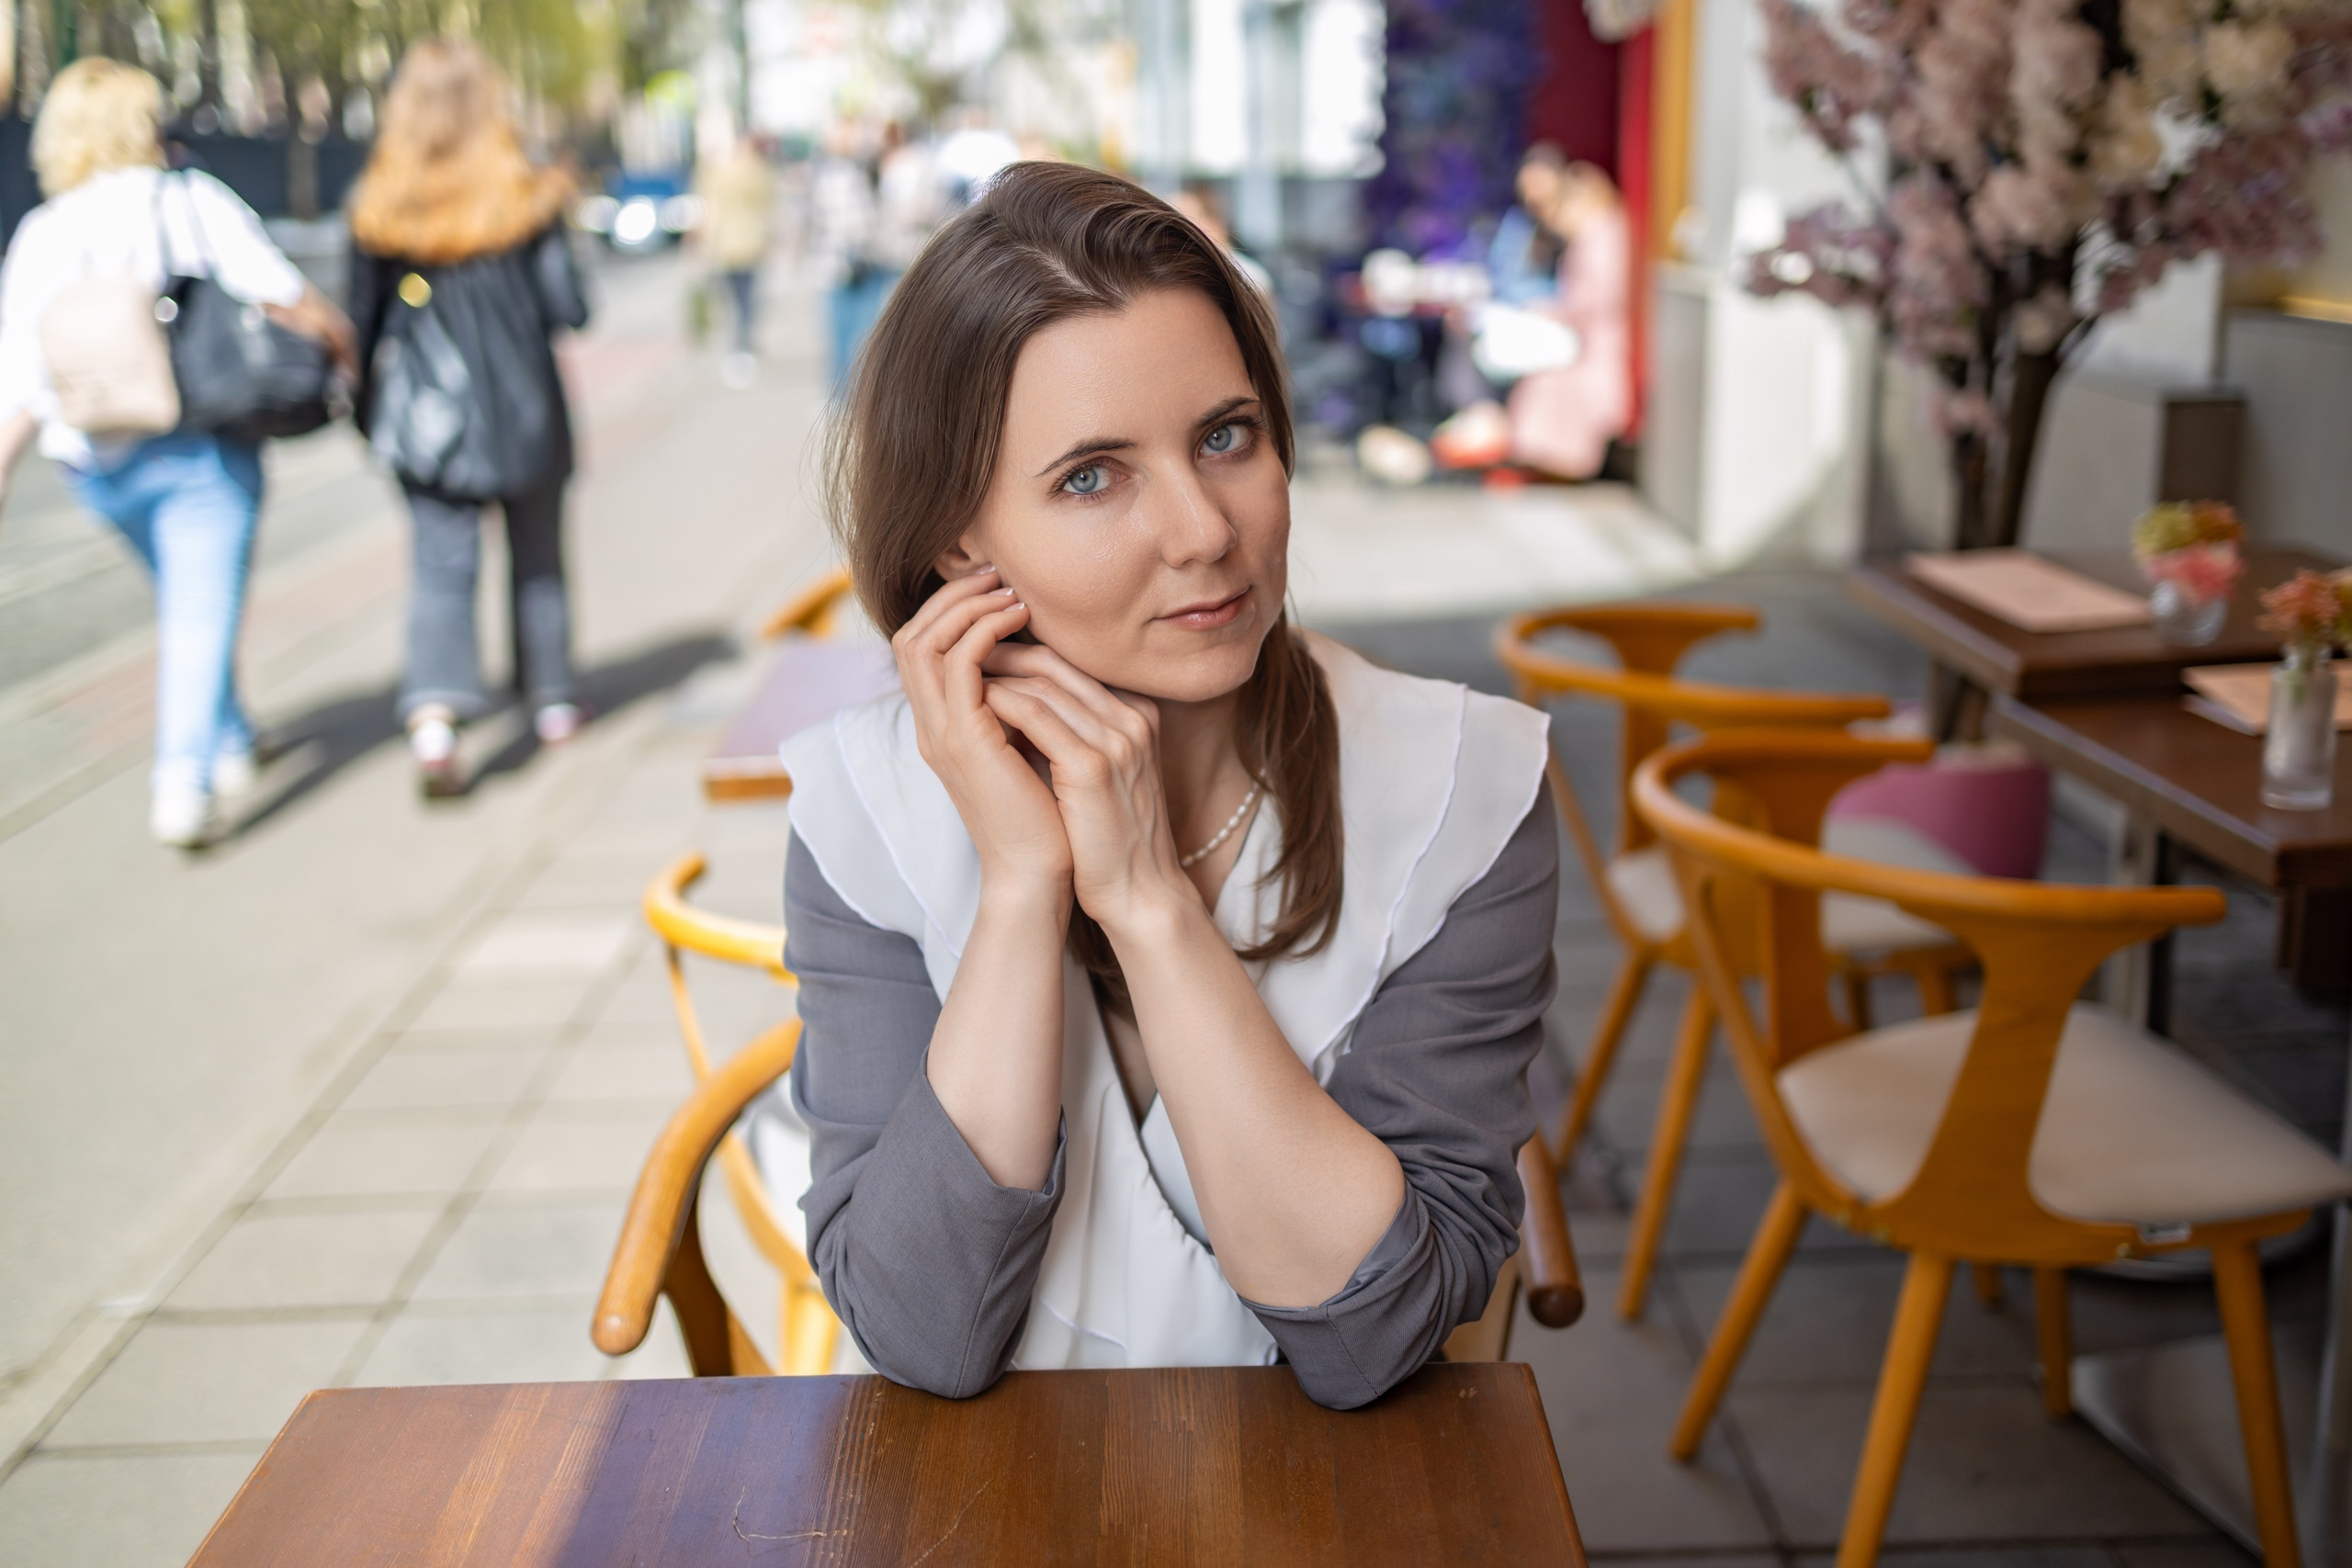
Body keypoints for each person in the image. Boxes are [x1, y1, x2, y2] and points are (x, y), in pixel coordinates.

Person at [750, 164, 1558, 1408]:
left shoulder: (1461, 788)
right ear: (960, 543)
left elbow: (1375, 1337)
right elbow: (920, 1332)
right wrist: (1023, 887)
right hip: (988, 1500)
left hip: (1339, 1498)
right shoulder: (866, 808)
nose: (1203, 531)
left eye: (1226, 436)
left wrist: (1148, 902)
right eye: (1092, 475)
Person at [0, 58, 355, 846]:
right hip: (198, 447)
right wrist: (346, 347)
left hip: (95, 463)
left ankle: (233, 735)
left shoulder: (43, 232)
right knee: (199, 612)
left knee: (191, 603)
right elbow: (282, 294)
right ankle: (182, 786)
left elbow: (18, 379)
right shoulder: (188, 199)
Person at [345, 39, 590, 795]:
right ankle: (551, 699)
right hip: (526, 408)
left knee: (439, 567)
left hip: (426, 417)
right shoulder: (528, 194)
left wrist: (364, 409)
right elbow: (571, 308)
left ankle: (434, 722)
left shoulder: (381, 200)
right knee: (539, 557)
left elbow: (361, 323)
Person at [1508, 162, 1631, 479]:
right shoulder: (1595, 234)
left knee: (1551, 385)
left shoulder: (1600, 234)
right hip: (1585, 334)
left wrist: (1557, 310)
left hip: (1594, 340)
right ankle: (1551, 462)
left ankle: (1560, 464)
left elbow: (1599, 294)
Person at [695, 134, 774, 388]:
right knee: (747, 301)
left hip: (726, 246)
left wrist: (704, 245)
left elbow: (710, 210)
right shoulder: (755, 170)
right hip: (749, 244)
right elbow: (766, 203)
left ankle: (738, 347)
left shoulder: (718, 172)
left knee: (732, 302)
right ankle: (744, 345)